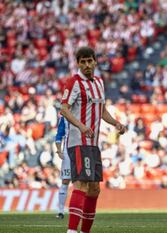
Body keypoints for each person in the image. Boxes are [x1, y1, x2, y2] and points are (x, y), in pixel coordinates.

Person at [60, 46, 126, 233]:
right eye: (83, 62)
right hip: (78, 141)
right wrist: (81, 126)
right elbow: (64, 109)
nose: (87, 65)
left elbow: (102, 110)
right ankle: (72, 231)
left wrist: (116, 124)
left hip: (93, 143)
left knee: (94, 188)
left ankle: (85, 231)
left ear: (95, 61)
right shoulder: (73, 82)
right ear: (78, 64)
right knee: (80, 183)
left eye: (90, 61)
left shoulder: (98, 82)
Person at [55, 115, 70, 219]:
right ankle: (60, 211)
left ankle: (82, 210)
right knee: (65, 180)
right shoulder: (64, 117)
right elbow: (59, 135)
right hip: (68, 152)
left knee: (83, 181)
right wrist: (59, 150)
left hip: (82, 151)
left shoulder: (84, 112)